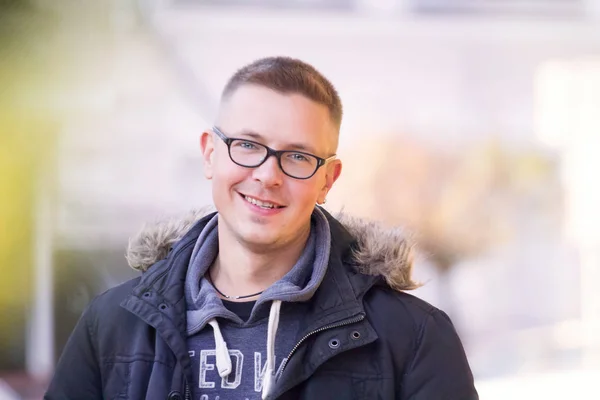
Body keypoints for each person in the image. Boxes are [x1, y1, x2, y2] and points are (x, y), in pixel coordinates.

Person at [45, 56, 478, 400]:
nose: (268, 175)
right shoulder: (112, 324)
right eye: (247, 145)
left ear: (328, 179)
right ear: (209, 154)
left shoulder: (414, 336)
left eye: (297, 157)